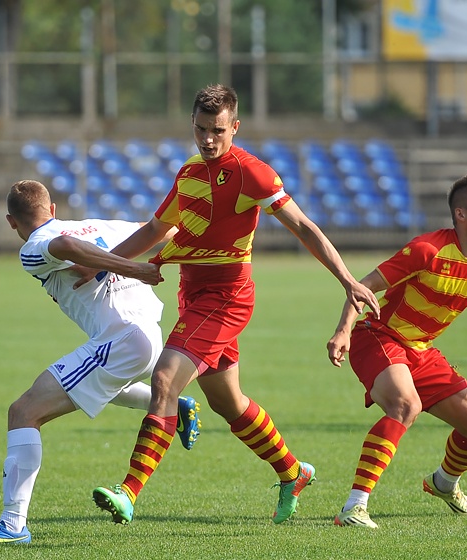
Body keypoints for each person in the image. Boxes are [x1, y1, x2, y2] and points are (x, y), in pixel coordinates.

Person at [90, 84, 380, 526]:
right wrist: (108, 263)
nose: (209, 140)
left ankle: (128, 491)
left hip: (227, 297)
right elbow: (154, 229)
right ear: (192, 124)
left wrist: (347, 280)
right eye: (202, 129)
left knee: (166, 379)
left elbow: (303, 226)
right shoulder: (188, 171)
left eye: (219, 131)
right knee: (229, 403)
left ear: (235, 127)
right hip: (193, 294)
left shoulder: (252, 174)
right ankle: (292, 472)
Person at [0, 180, 201, 545]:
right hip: (146, 336)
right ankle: (177, 407)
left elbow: (67, 247)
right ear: (53, 208)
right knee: (99, 382)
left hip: (121, 341)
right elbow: (166, 227)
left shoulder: (33, 247)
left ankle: (12, 526)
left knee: (23, 412)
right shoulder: (97, 224)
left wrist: (132, 269)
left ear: (12, 222)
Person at [327, 174, 467, 529]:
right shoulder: (427, 250)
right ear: (460, 214)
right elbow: (363, 287)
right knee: (405, 406)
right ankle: (354, 506)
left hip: (421, 351)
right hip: (380, 337)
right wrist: (343, 330)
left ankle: (443, 483)